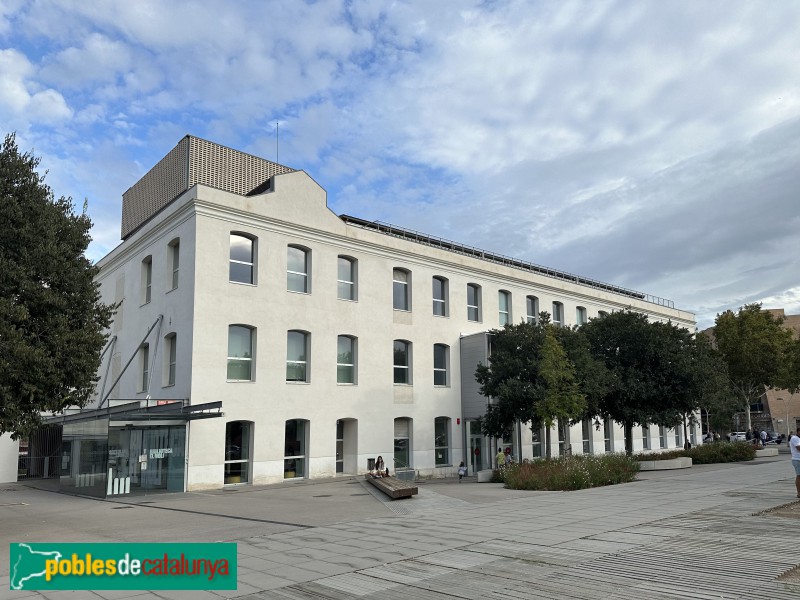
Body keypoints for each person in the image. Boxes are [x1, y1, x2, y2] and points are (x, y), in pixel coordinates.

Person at [790, 428, 800, 499]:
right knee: (799, 475)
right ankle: (799, 493)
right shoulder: (795, 438)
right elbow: (798, 448)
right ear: (798, 431)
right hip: (797, 459)